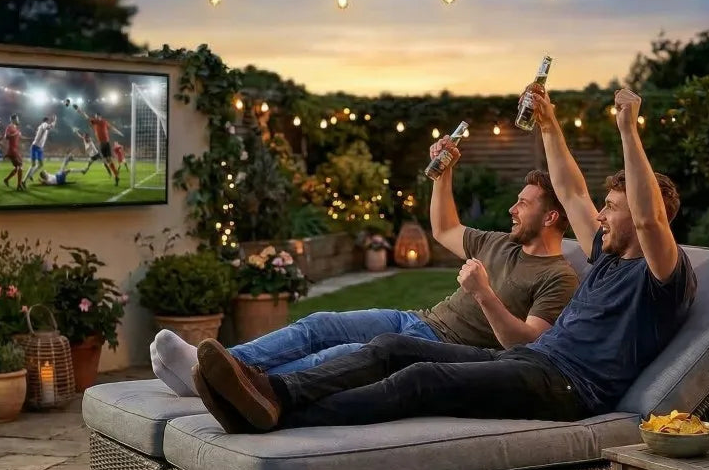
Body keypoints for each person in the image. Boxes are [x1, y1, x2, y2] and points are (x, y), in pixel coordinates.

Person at [191, 86, 697, 433]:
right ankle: (271, 390)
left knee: (422, 380)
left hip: (569, 386)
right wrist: (548, 121)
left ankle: (281, 413)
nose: (600, 217)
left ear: (645, 213)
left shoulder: (662, 276)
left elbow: (650, 221)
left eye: (612, 209)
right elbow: (569, 187)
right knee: (392, 346)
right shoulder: (604, 256)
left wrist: (629, 130)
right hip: (530, 363)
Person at [150, 146, 579, 396]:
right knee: (317, 325)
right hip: (416, 321)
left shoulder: (559, 276)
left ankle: (227, 383)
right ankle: (218, 364)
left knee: (332, 359)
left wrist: (484, 294)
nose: (512, 207)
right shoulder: (497, 241)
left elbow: (524, 346)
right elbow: (444, 227)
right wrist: (442, 175)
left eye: (523, 203)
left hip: (442, 348)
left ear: (552, 216)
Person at [76, 105, 123, 185]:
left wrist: (118, 132)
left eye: (97, 116)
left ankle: (116, 175)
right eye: (95, 117)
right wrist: (80, 111)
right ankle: (116, 175)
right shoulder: (95, 122)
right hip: (101, 144)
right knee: (107, 161)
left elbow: (111, 128)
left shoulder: (104, 122)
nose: (96, 117)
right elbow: (87, 117)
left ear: (100, 116)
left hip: (106, 143)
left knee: (109, 160)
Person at [1, 114, 27, 191]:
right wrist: (15, 134)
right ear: (13, 120)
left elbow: (21, 138)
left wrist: (32, 139)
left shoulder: (16, 128)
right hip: (12, 150)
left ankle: (6, 179)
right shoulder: (9, 127)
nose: (18, 120)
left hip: (15, 150)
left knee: (17, 168)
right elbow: (6, 136)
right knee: (21, 166)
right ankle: (19, 185)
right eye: (17, 119)